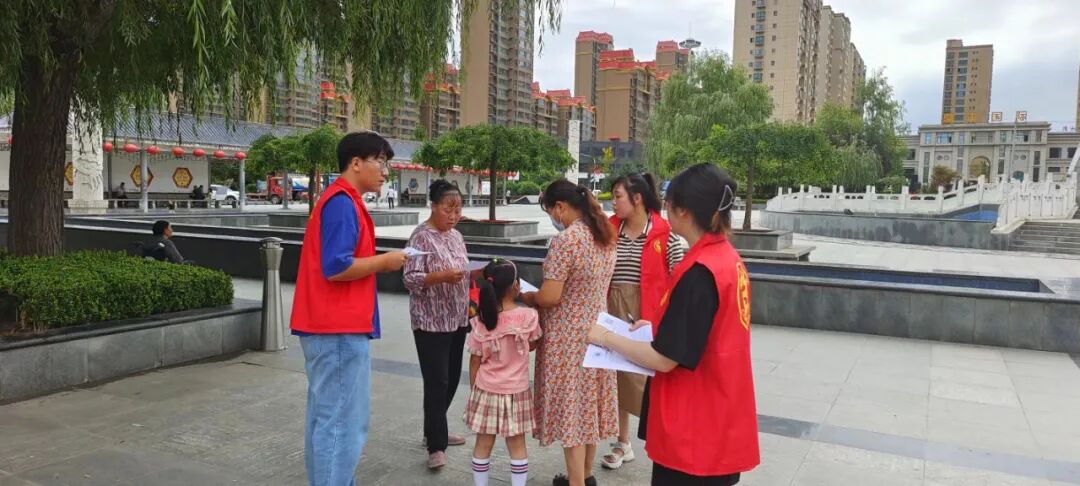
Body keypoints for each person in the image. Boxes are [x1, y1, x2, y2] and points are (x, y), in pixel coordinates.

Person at [586, 163, 759, 486]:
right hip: (719, 414)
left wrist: (605, 337)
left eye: (668, 201)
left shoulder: (700, 272)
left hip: (694, 427)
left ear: (683, 210)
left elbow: (665, 359)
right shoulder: (726, 259)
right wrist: (657, 325)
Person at [289, 131, 409, 486]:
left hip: (328, 327)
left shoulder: (340, 200)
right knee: (342, 423)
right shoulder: (342, 202)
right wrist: (384, 262)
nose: (385, 172)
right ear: (355, 163)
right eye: (380, 162)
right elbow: (336, 266)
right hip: (337, 330)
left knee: (326, 419)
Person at [521, 180, 617, 486]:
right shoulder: (604, 235)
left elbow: (550, 296)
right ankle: (586, 476)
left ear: (560, 207)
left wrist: (528, 296)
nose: (553, 217)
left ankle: (576, 482)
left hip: (568, 340)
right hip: (598, 333)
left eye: (551, 210)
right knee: (588, 410)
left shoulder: (567, 241)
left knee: (572, 414)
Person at [601, 173, 685, 471]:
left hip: (647, 314)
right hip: (613, 308)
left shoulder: (665, 234)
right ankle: (622, 442)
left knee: (647, 379)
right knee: (616, 376)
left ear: (637, 198)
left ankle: (663, 441)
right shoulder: (610, 230)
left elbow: (680, 279)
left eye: (618, 196)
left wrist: (661, 317)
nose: (613, 202)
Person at [402, 179, 471, 469]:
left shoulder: (456, 236)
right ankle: (436, 445)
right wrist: (440, 277)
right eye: (448, 209)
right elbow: (410, 278)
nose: (453, 216)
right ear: (433, 206)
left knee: (452, 378)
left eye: (458, 210)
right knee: (437, 381)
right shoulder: (420, 237)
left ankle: (435, 428)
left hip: (457, 317)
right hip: (431, 321)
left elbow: (464, 270)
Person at [464, 258, 541, 486]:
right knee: (517, 444)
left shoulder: (481, 320)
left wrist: (474, 389)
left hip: (486, 389)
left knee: (483, 443)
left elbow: (475, 360)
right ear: (516, 286)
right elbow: (533, 344)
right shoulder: (528, 317)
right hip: (517, 391)